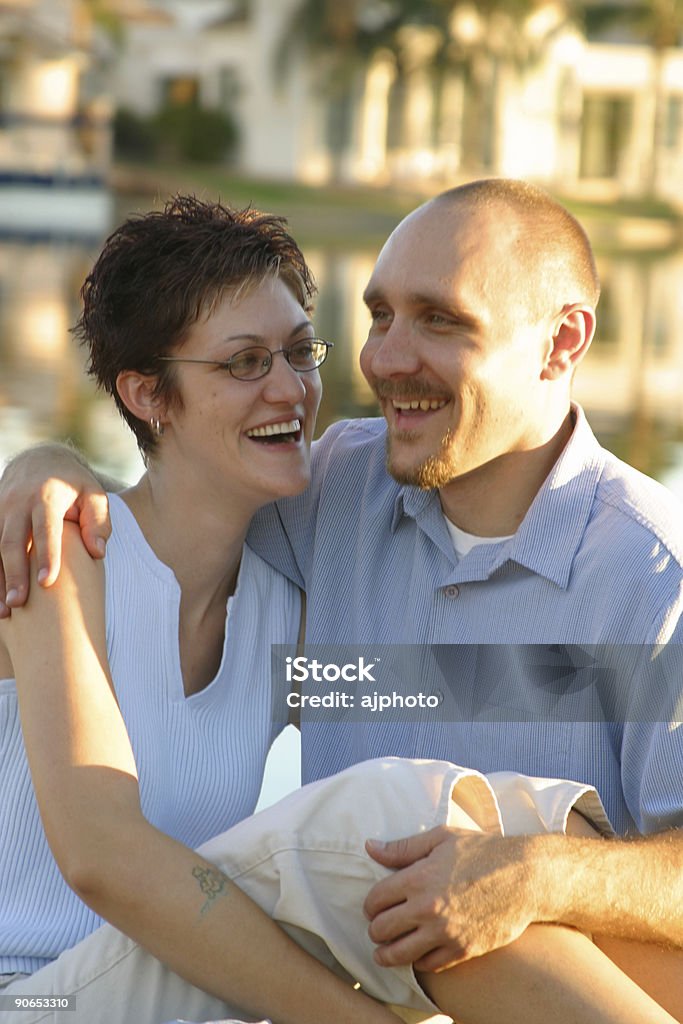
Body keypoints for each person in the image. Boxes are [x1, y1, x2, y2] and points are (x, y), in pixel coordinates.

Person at [1, 180, 683, 1022]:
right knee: (408, 824)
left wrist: (539, 872)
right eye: (380, 316)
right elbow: (100, 851)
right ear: (146, 395)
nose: (297, 390)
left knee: (501, 844)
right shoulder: (76, 549)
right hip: (44, 998)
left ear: (560, 342)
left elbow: (494, 695)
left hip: (276, 988)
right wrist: (44, 466)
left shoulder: (288, 604)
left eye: (297, 352)